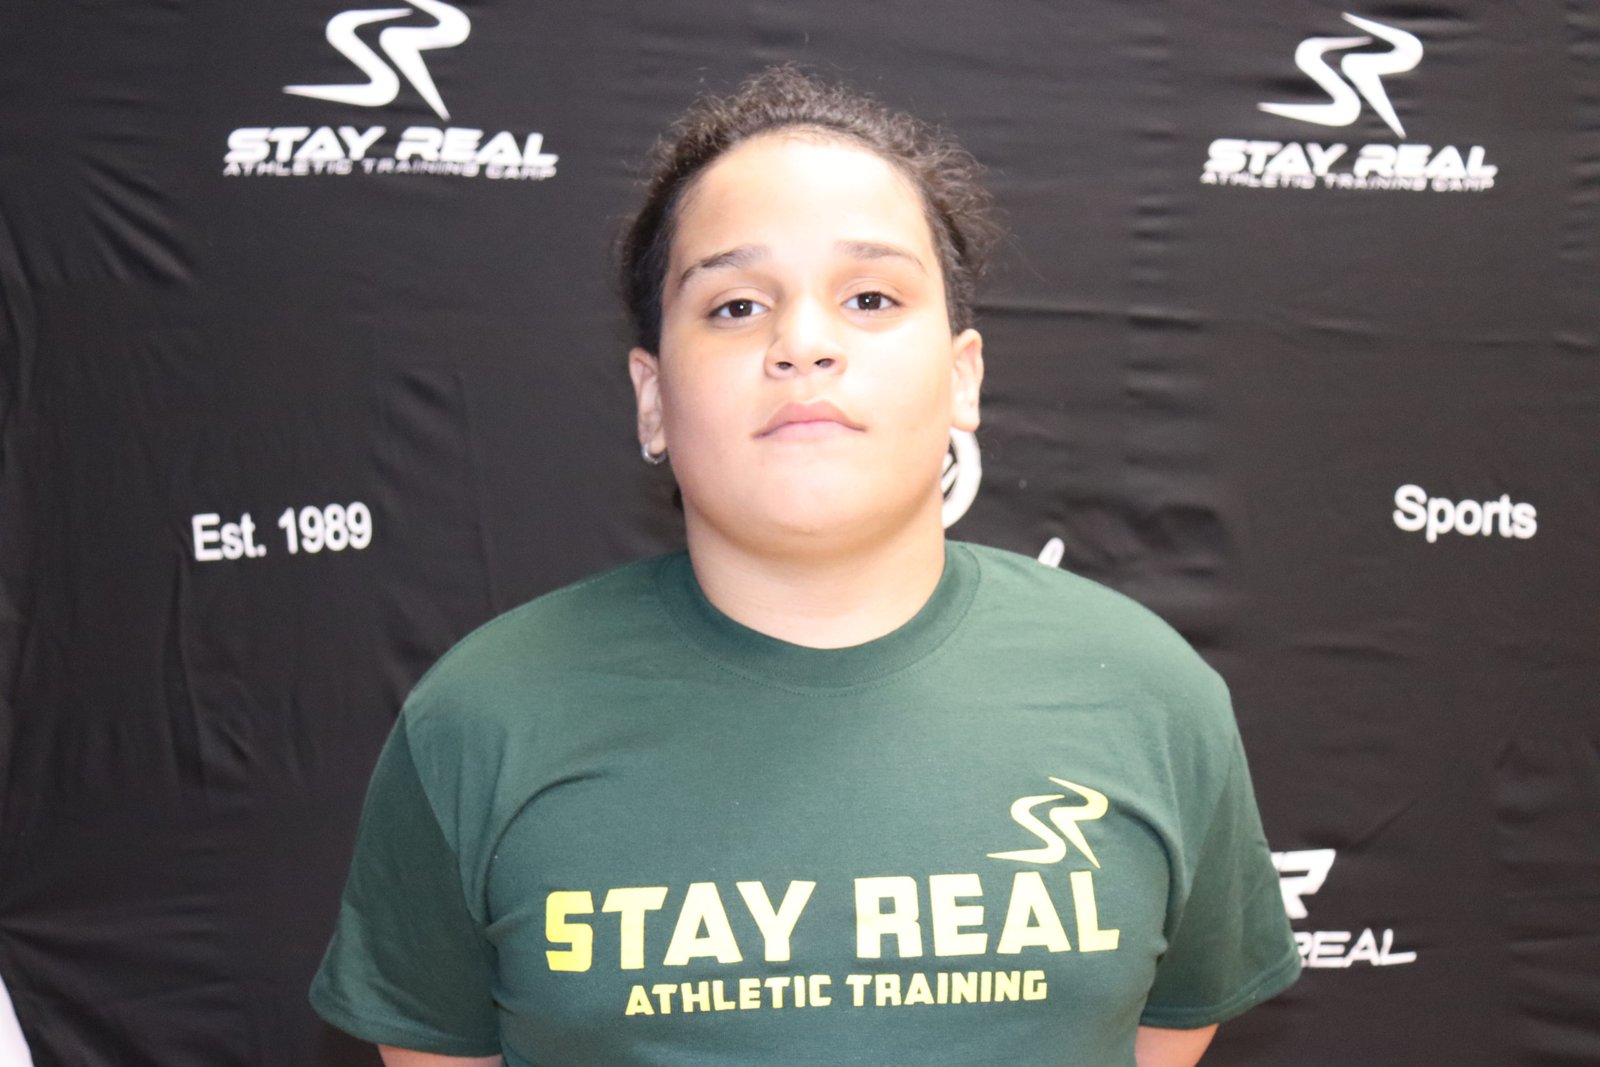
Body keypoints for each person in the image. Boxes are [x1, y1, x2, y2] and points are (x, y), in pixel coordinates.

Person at [310, 66, 1300, 1067]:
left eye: (870, 297)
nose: (805, 343)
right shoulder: (482, 717)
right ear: (651, 399)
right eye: (736, 305)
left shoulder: (1147, 693)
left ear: (963, 377)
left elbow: (1165, 1028)